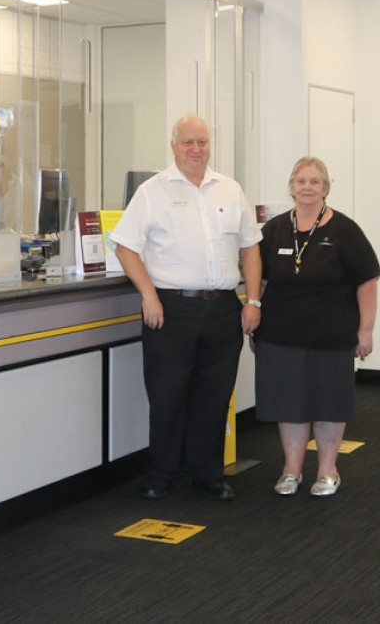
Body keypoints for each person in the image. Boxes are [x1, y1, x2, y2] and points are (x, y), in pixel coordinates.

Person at [110, 115, 263, 501]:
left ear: (210, 145)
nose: (196, 149)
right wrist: (148, 295)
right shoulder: (151, 191)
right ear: (174, 146)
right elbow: (125, 246)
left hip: (224, 308)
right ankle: (160, 475)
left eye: (203, 142)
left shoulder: (229, 189)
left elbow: (250, 247)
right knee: (167, 396)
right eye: (188, 142)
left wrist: (253, 300)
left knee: (214, 396)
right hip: (170, 310)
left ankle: (207, 475)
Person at [253, 157, 379, 497]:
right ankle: (291, 470)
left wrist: (365, 331)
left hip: (331, 336)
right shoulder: (275, 229)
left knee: (329, 402)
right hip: (281, 335)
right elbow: (260, 281)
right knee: (289, 404)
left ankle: (327, 470)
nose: (307, 187)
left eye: (315, 182)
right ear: (292, 187)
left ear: (325, 188)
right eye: (301, 181)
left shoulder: (345, 230)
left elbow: (367, 282)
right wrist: (254, 317)